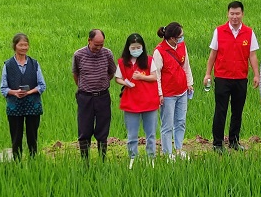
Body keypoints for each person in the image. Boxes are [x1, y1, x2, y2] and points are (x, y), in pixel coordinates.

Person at [203, 1, 260, 152]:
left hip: (241, 78)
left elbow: (252, 55)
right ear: (227, 14)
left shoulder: (249, 32)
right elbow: (213, 54)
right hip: (222, 77)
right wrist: (208, 73)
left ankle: (234, 141)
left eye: (237, 14)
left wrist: (256, 74)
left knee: (237, 111)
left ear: (242, 14)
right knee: (220, 111)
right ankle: (217, 143)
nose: (234, 17)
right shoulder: (219, 31)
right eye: (232, 14)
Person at [115, 33, 160, 168]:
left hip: (149, 101)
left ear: (142, 47)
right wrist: (126, 83)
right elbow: (117, 78)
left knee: (151, 133)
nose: (136, 50)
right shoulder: (123, 62)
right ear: (128, 48)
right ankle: (132, 157)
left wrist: (141, 77)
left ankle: (151, 157)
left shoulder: (149, 60)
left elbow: (154, 77)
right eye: (133, 47)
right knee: (132, 134)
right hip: (131, 102)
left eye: (138, 47)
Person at [0, 33, 46, 159]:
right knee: (16, 137)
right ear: (15, 46)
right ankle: (17, 162)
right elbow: (3, 88)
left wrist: (29, 92)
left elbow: (42, 85)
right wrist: (14, 92)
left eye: (26, 45)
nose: (24, 47)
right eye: (21, 45)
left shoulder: (34, 64)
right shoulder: (8, 65)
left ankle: (33, 161)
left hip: (33, 105)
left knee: (32, 137)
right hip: (14, 106)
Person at [72, 29, 116, 160]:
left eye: (101, 44)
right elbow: (76, 74)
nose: (99, 47)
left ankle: (103, 159)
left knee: (103, 129)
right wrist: (84, 87)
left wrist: (102, 82)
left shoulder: (107, 54)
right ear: (89, 41)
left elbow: (112, 71)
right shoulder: (79, 55)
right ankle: (85, 162)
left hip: (102, 96)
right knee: (84, 129)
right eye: (96, 44)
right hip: (85, 97)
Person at [152, 22, 194, 159]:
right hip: (168, 94)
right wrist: (159, 94)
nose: (182, 38)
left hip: (182, 91)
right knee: (167, 125)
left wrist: (189, 83)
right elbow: (156, 74)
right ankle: (168, 153)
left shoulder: (182, 46)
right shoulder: (159, 51)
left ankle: (179, 148)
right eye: (180, 36)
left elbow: (186, 65)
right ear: (172, 38)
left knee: (180, 121)